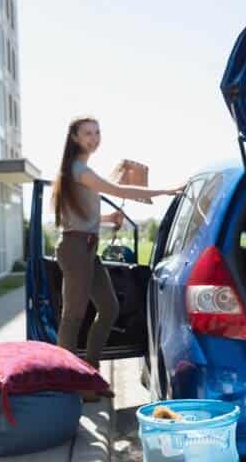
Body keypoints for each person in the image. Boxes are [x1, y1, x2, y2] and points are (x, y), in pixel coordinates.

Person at [51, 116, 180, 368]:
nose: (94, 138)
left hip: (86, 247)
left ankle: (90, 368)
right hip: (75, 247)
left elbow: (81, 215)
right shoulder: (79, 170)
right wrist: (165, 190)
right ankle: (64, 379)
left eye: (97, 132)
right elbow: (120, 191)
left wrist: (109, 217)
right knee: (72, 317)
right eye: (87, 133)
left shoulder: (79, 170)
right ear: (75, 138)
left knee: (109, 308)